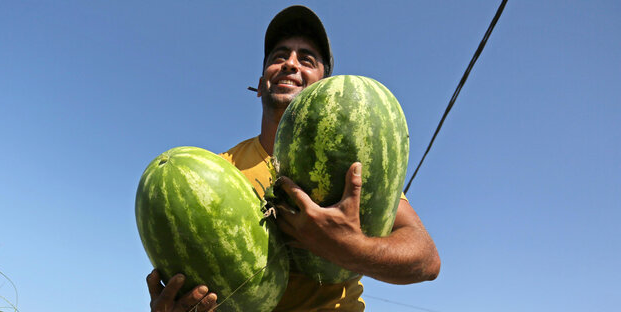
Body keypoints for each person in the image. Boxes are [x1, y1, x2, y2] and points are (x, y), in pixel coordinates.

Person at [146, 5, 440, 312]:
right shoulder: (220, 170)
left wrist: (350, 246)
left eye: (307, 60)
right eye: (279, 57)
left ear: (325, 85)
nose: (290, 64)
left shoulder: (351, 165)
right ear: (261, 84)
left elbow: (426, 259)